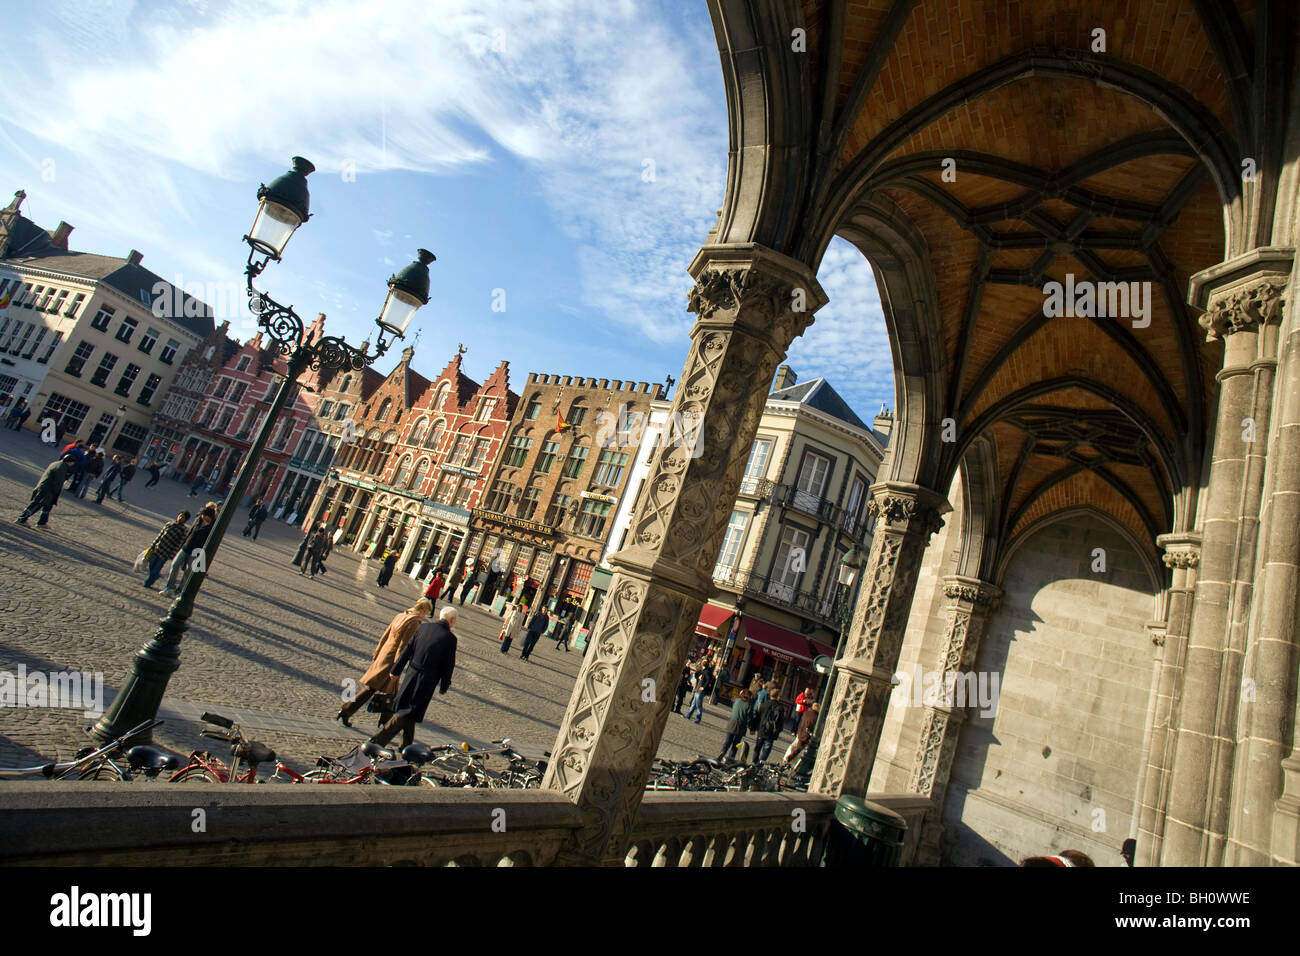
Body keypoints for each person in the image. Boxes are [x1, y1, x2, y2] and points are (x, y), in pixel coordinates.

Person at [369, 605, 459, 750]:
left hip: (411, 674)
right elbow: (448, 665)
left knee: (411, 711)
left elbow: (407, 650)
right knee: (407, 711)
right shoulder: (450, 638)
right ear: (452, 621)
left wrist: (396, 670)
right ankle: (378, 740)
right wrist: (444, 684)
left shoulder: (423, 628)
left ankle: (406, 746)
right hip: (426, 680)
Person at [336, 599, 431, 729]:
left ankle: (383, 721)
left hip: (384, 653)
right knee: (374, 688)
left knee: (390, 692)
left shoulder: (401, 615)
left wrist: (378, 651)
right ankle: (348, 711)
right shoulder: (414, 622)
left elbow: (385, 635)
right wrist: (399, 665)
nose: (424, 616)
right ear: (423, 610)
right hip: (392, 659)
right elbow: (403, 644)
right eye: (425, 613)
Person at [160, 503, 217, 595]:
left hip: (197, 551)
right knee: (175, 564)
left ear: (210, 518)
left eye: (205, 517)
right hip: (187, 546)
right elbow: (191, 531)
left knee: (188, 571)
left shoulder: (212, 528)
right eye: (203, 516)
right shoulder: (198, 520)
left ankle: (180, 590)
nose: (203, 518)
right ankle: (170, 587)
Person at [16, 454, 76, 526]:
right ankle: (22, 519)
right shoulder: (62, 468)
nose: (72, 464)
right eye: (73, 462)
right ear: (69, 462)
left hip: (45, 487)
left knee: (47, 506)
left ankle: (42, 522)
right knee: (36, 504)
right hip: (47, 489)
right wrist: (56, 492)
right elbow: (58, 482)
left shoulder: (56, 463)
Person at [143, 511, 191, 588]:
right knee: (151, 564)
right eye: (180, 516)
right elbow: (160, 535)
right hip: (158, 548)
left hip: (166, 552)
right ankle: (155, 576)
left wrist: (172, 554)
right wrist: (153, 545)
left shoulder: (183, 530)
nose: (181, 518)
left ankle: (148, 582)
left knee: (157, 568)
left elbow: (179, 543)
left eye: (183, 517)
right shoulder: (169, 524)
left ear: (185, 520)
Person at [718, 688, 753, 763]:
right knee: (736, 744)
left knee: (727, 741)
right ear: (749, 697)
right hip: (741, 725)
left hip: (732, 723)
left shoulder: (736, 700)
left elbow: (733, 698)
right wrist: (751, 727)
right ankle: (730, 758)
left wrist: (740, 694)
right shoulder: (749, 705)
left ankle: (721, 754)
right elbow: (750, 718)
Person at [753, 689, 785, 763]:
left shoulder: (763, 705)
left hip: (761, 729)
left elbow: (757, 717)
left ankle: (754, 762)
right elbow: (780, 722)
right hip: (771, 732)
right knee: (766, 750)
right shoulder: (780, 708)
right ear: (777, 696)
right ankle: (760, 764)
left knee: (757, 748)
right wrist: (778, 731)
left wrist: (754, 727)